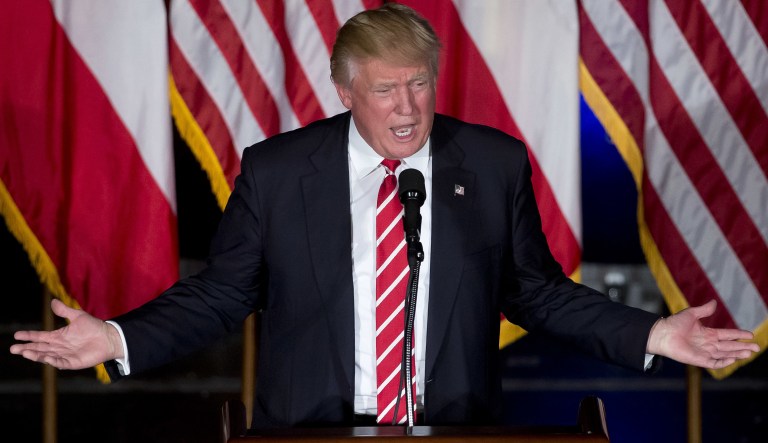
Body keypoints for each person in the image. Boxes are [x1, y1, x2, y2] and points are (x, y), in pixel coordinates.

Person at [10, 3, 758, 428]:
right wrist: (114, 336)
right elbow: (220, 292)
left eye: (420, 85)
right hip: (309, 430)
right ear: (344, 91)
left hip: (457, 427)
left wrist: (654, 332)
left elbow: (534, 290)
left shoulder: (491, 163)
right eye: (385, 91)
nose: (407, 109)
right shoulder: (278, 171)